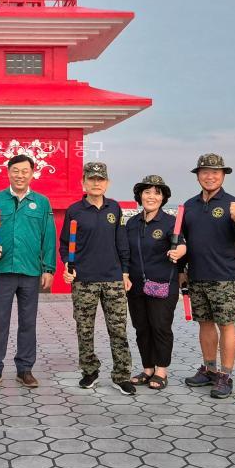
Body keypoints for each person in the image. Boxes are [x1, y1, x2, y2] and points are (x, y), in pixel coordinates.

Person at [0, 154, 56, 389]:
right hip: (3, 270)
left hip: (31, 271)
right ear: (8, 172)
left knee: (28, 322)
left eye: (25, 171)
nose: (20, 175)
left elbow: (48, 237)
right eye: (15, 171)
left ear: (32, 173)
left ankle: (25, 369)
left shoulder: (42, 203)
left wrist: (48, 268)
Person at [60, 162, 136, 396]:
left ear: (107, 183)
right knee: (85, 329)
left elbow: (121, 241)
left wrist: (125, 272)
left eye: (100, 179)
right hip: (84, 279)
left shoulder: (114, 208)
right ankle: (89, 371)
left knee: (118, 330)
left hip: (113, 279)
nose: (96, 183)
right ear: (83, 182)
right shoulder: (75, 210)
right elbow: (65, 244)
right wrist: (67, 265)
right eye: (91, 179)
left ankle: (122, 375)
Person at [180, 153, 235, 399]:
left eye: (215, 173)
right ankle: (209, 369)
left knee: (227, 325)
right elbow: (182, 241)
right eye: (205, 172)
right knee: (205, 324)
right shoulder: (189, 206)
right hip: (197, 275)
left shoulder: (234, 203)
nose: (210, 177)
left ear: (223, 175)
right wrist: (182, 271)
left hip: (224, 277)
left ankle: (226, 375)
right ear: (198, 175)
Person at [126, 175, 186, 391]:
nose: (151, 196)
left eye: (157, 192)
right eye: (147, 192)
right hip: (136, 286)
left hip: (163, 285)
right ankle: (148, 368)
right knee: (141, 327)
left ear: (163, 198)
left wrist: (180, 251)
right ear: (139, 196)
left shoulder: (171, 223)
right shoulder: (132, 223)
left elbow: (181, 246)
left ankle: (161, 370)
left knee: (160, 327)